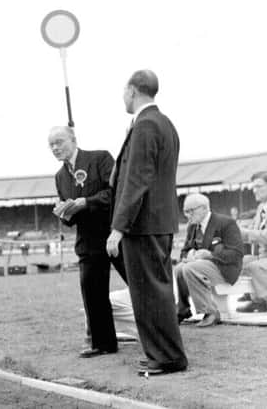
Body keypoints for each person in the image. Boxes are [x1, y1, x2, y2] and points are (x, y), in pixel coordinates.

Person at [106, 70, 188, 376]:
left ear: (131, 90)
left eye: (123, 92)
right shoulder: (164, 124)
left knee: (149, 293)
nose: (122, 97)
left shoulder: (146, 125)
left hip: (144, 224)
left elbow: (136, 179)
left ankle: (165, 357)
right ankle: (164, 353)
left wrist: (118, 227)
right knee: (157, 291)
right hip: (159, 221)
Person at [49, 125, 127, 358]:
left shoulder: (100, 158)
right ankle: (103, 344)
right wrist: (65, 213)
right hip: (88, 242)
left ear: (73, 139)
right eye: (51, 144)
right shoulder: (60, 177)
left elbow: (115, 193)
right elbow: (72, 219)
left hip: (116, 234)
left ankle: (160, 337)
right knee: (92, 293)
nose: (55, 148)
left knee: (139, 285)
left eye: (59, 142)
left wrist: (85, 202)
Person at [174, 193, 244, 327]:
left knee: (190, 268)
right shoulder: (193, 226)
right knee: (179, 269)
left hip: (225, 268)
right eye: (185, 212)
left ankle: (211, 312)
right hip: (202, 267)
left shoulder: (226, 223)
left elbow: (237, 253)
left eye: (191, 211)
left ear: (204, 208)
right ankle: (183, 309)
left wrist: (209, 255)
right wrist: (187, 256)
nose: (187, 215)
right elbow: (184, 250)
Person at [236, 171, 267, 315]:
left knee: (256, 266)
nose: (254, 190)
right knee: (241, 262)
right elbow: (252, 232)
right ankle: (259, 302)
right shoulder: (262, 207)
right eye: (253, 187)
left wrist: (245, 233)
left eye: (259, 186)